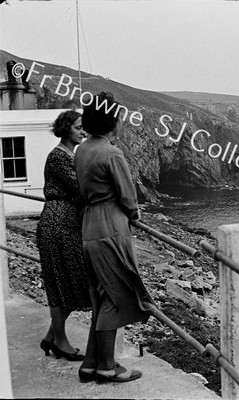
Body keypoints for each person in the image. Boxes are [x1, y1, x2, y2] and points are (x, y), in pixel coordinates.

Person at [75, 92, 153, 383]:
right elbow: (128, 199)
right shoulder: (112, 153)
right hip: (110, 227)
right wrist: (134, 213)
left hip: (89, 226)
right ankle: (107, 366)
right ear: (112, 121)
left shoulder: (82, 149)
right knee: (115, 296)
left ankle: (90, 362)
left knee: (100, 295)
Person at [37, 110, 90, 361]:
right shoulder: (59, 157)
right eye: (79, 127)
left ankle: (51, 336)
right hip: (57, 224)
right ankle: (59, 341)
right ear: (67, 128)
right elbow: (81, 189)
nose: (83, 132)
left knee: (68, 280)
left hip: (65, 224)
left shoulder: (69, 155)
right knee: (60, 282)